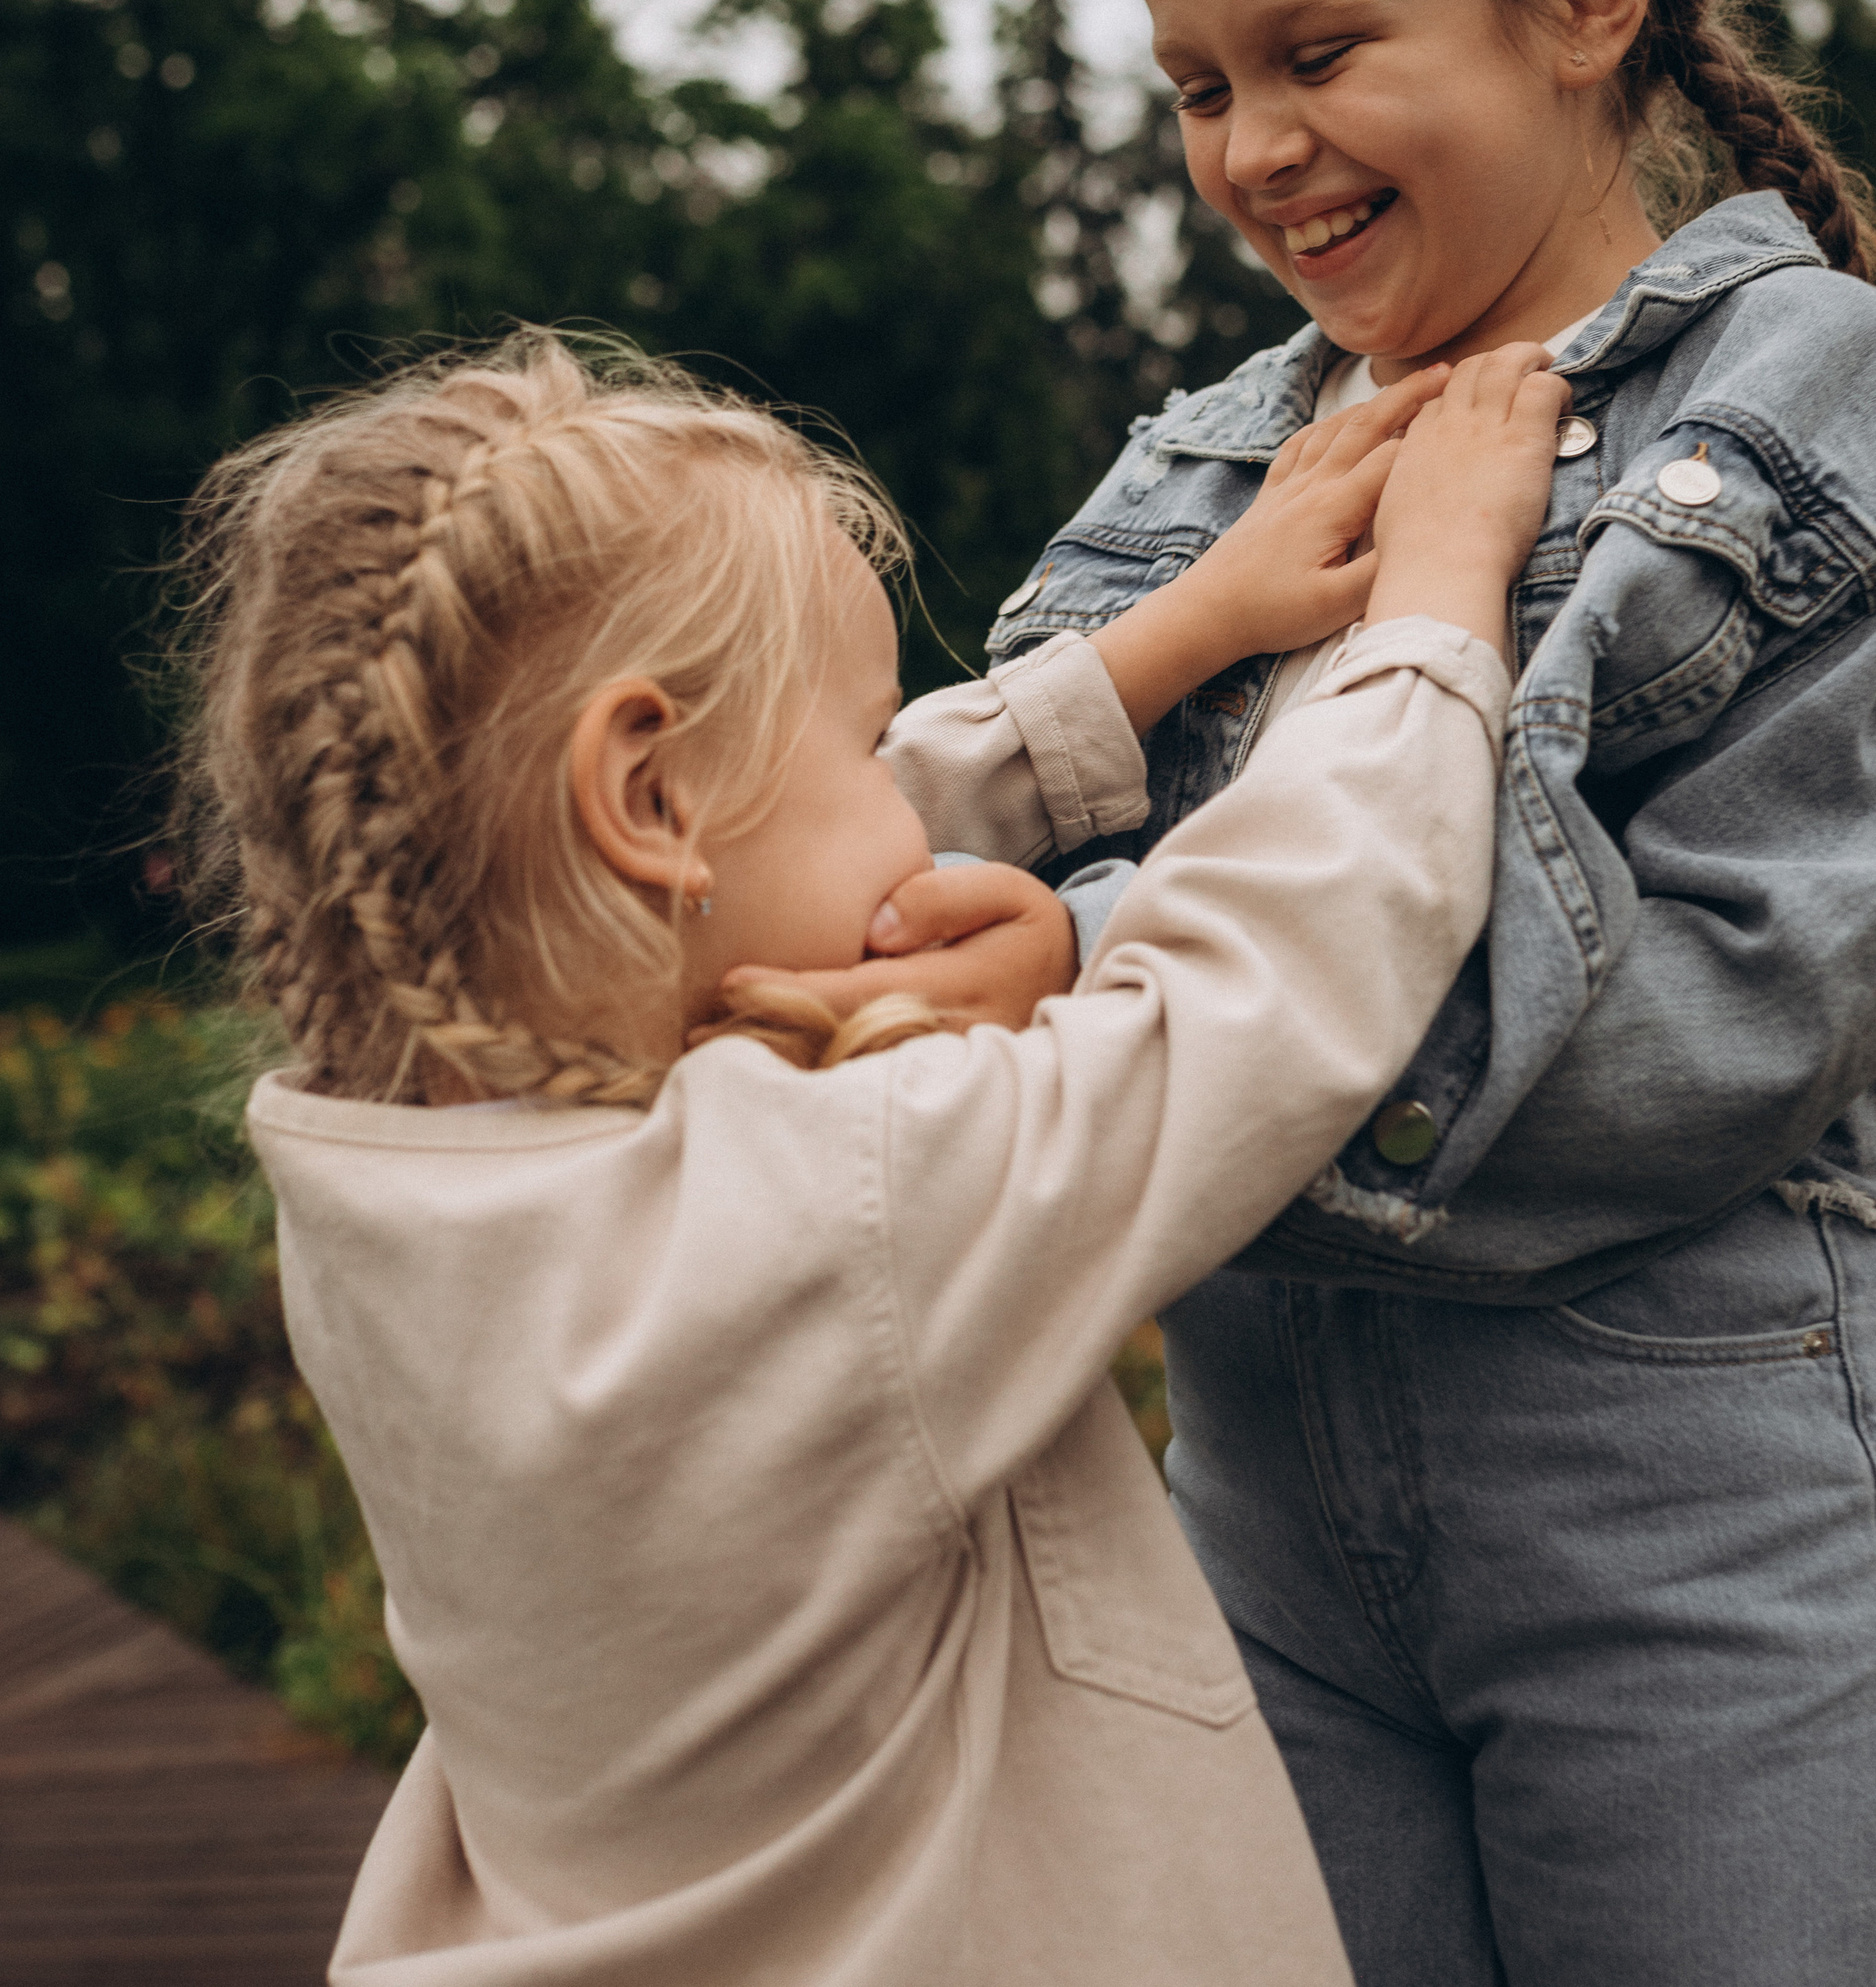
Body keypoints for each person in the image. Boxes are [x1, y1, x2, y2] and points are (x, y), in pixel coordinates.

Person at [844, 0, 1876, 1987]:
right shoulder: (1215, 464)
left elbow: (1726, 1023)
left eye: (1320, 53)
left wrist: (1099, 989)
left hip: (1693, 1527)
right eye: (1198, 82)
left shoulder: (1818, 418)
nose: (1250, 152)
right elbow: (956, 854)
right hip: (1260, 1525)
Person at [177, 325, 1562, 1987]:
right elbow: (1277, 973)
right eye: (862, 740)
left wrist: (1178, 629)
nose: (900, 791)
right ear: (642, 801)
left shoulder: (397, 1175)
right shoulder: (842, 1211)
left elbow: (741, 855)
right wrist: (1432, 606)